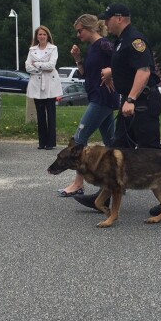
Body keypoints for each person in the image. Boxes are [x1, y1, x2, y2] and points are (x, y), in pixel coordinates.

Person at [74, 3, 161, 211]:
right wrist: (113, 72)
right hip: (130, 103)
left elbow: (144, 71)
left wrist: (130, 99)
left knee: (152, 152)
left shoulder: (135, 40)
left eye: (108, 18)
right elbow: (127, 66)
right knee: (118, 149)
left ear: (119, 18)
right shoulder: (120, 42)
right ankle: (106, 197)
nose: (105, 22)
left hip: (142, 103)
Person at [58, 14, 120, 197]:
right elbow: (86, 74)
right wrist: (78, 58)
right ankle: (118, 180)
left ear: (91, 27)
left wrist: (112, 72)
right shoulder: (93, 48)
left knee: (78, 140)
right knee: (111, 143)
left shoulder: (104, 44)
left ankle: (78, 184)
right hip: (98, 98)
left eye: (80, 30)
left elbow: (122, 60)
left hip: (102, 99)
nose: (78, 35)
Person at [25, 25, 62, 150]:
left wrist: (37, 64)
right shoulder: (32, 50)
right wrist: (41, 67)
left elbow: (51, 65)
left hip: (50, 85)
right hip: (36, 84)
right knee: (40, 114)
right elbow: (27, 67)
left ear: (48, 36)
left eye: (44, 34)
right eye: (40, 34)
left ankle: (51, 142)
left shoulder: (53, 48)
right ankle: (42, 141)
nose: (42, 36)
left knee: (50, 114)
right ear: (37, 36)